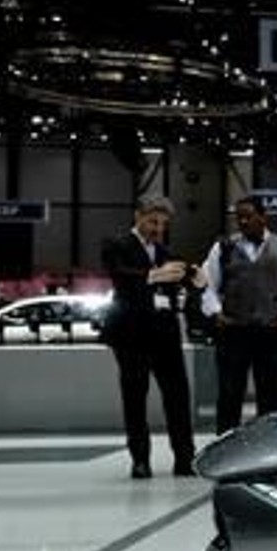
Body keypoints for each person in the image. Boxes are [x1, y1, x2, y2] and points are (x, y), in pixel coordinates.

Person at [100, 195, 200, 479]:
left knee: (178, 395)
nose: (158, 229)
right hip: (131, 334)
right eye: (153, 222)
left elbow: (179, 282)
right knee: (135, 397)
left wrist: (193, 278)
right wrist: (154, 275)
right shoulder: (116, 245)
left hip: (165, 334)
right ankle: (140, 460)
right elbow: (120, 275)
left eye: (163, 224)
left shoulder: (166, 251)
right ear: (138, 216)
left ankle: (185, 458)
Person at [199, 196, 277, 432]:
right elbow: (208, 286)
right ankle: (225, 447)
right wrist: (216, 313)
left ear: (263, 217)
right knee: (229, 396)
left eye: (248, 216)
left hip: (272, 332)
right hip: (234, 332)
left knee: (272, 398)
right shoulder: (223, 248)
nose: (242, 221)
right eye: (238, 217)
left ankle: (268, 447)